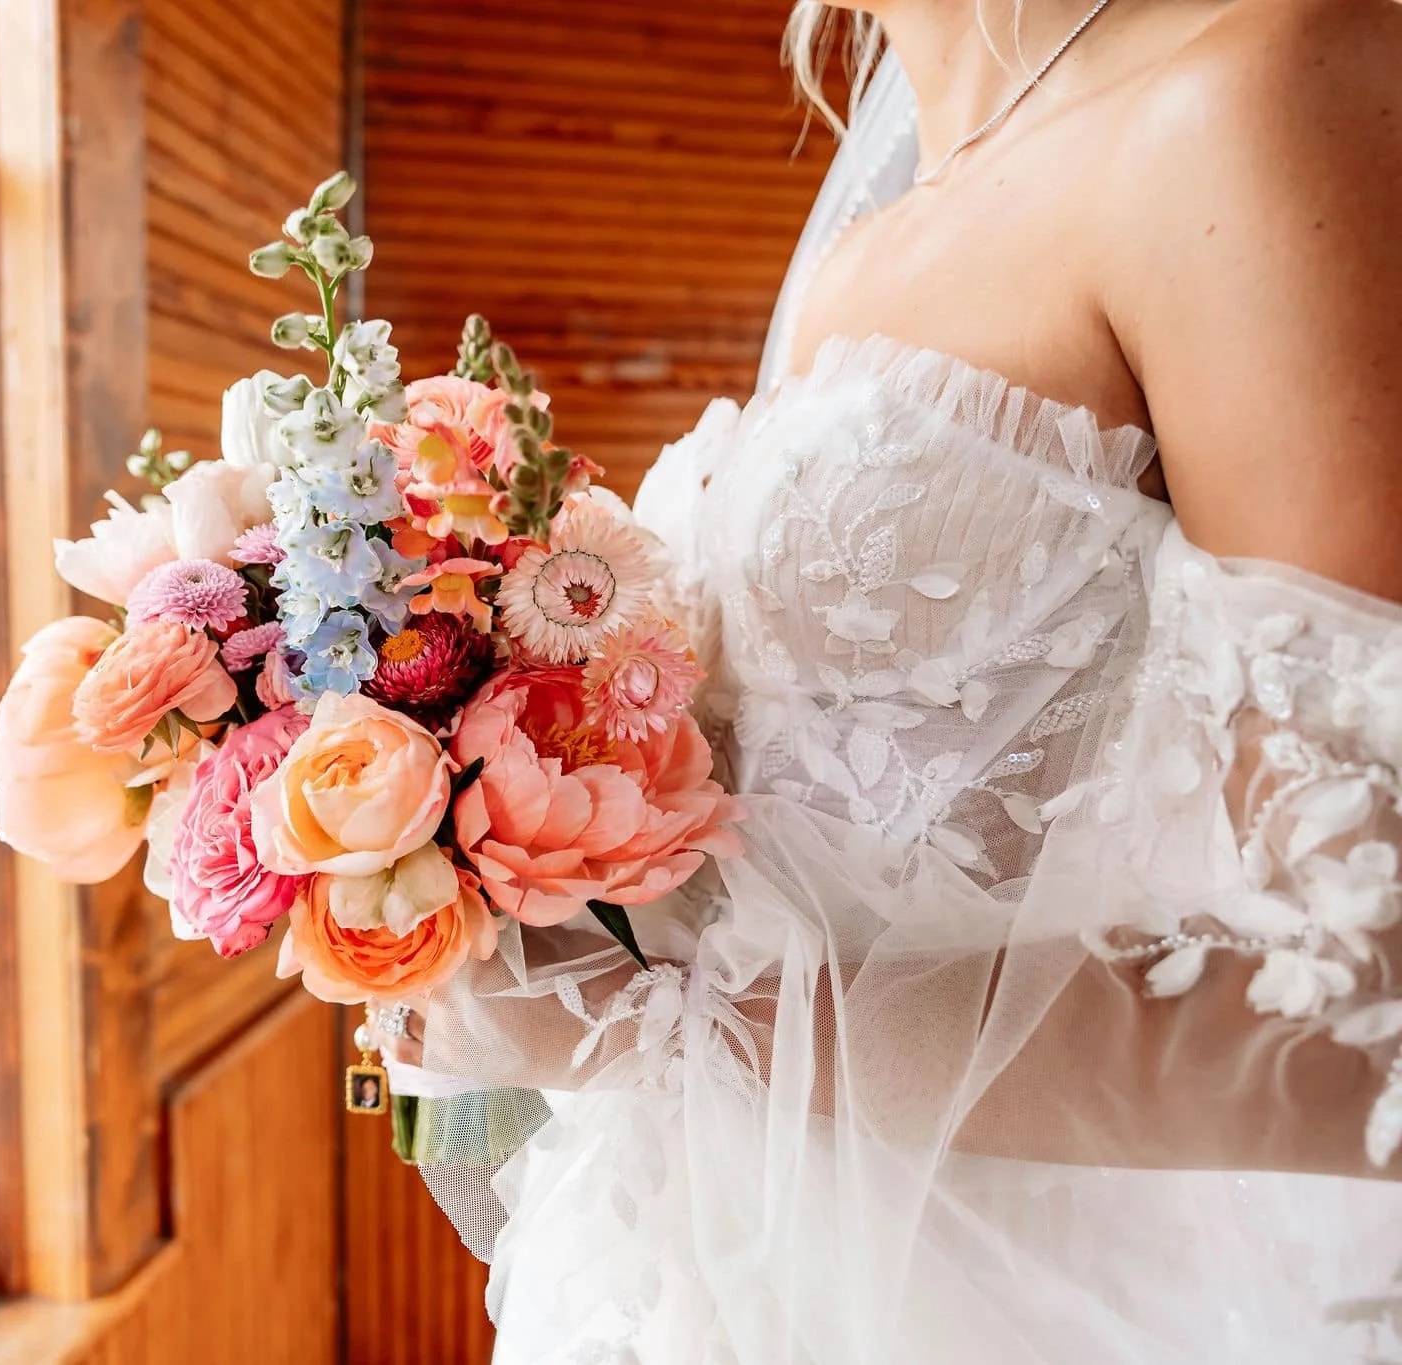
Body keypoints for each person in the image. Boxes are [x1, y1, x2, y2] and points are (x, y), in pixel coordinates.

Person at [384, 1, 1402, 1359]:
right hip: (733, 1280)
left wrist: (672, 1020)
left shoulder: (1255, 91)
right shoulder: (882, 225)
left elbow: (1366, 1012)